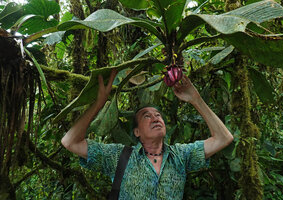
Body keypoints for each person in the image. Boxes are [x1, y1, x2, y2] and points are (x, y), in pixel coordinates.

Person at [61, 69, 234, 199]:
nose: (155, 118)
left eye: (158, 115)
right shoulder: (118, 157)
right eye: (147, 116)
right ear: (137, 132)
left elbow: (223, 138)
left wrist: (195, 99)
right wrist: (98, 103)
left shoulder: (181, 155)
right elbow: (70, 142)